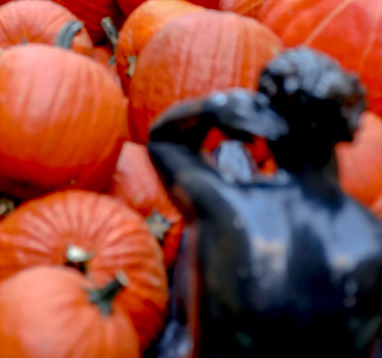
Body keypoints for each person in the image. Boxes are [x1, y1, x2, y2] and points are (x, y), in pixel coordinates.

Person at [149, 47, 382, 358]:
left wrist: (214, 108)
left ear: (266, 125)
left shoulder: (227, 209)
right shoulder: (372, 241)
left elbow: (164, 140)